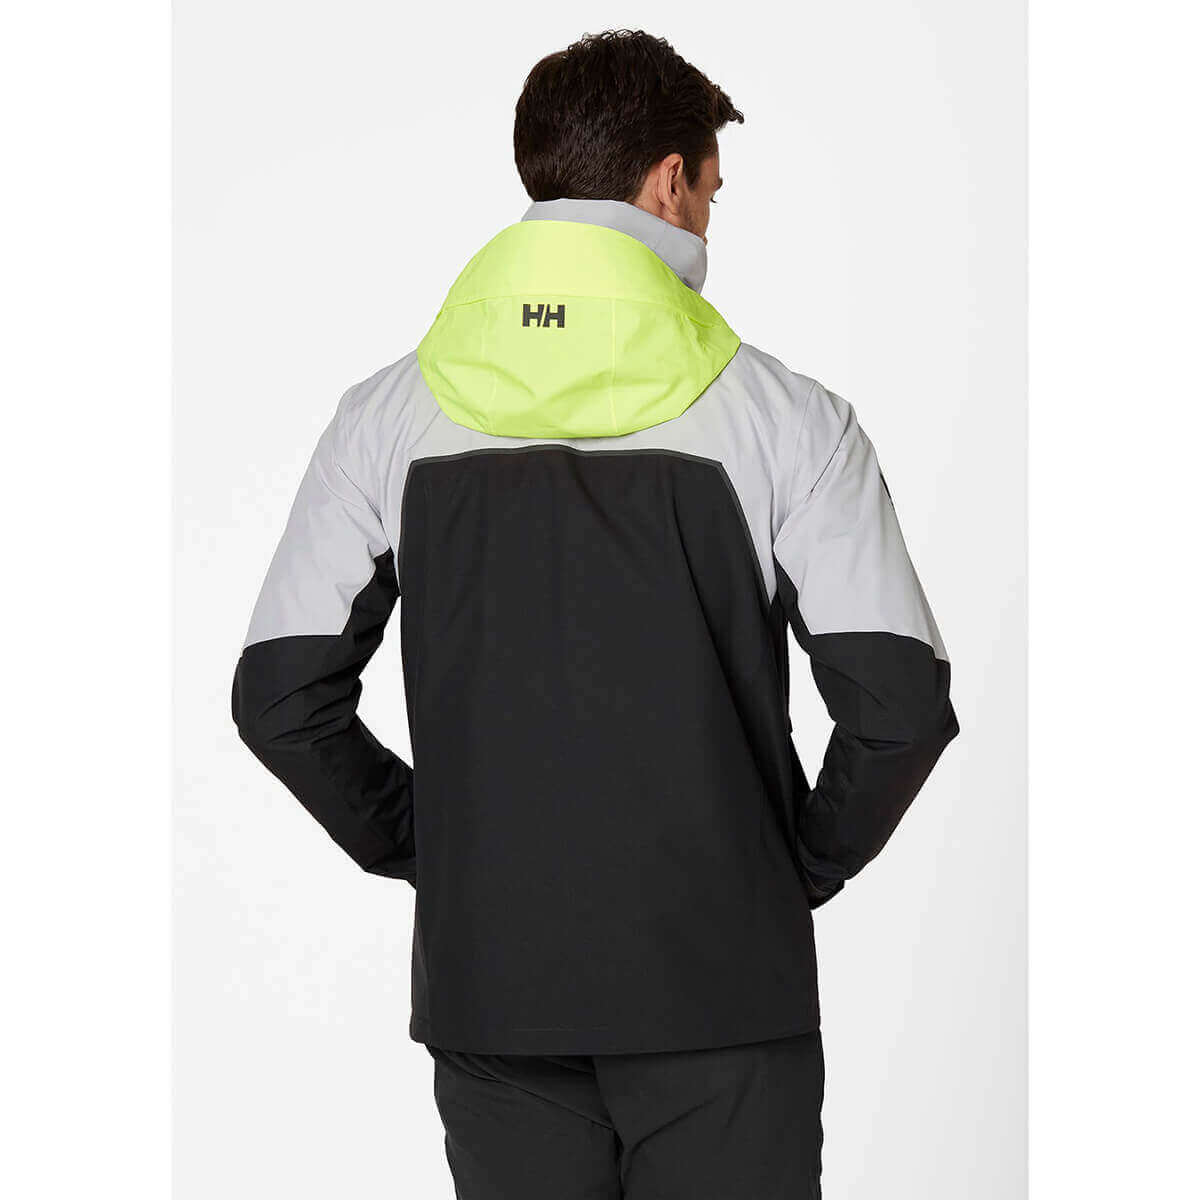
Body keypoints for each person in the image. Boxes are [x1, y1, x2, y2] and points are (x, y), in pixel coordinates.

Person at [232, 28, 958, 1199]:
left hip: (494, 994)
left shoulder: (383, 417)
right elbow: (902, 706)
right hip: (723, 994)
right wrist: (785, 869)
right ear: (669, 181)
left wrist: (438, 849)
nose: (709, 222)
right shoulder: (787, 419)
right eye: (711, 192)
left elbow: (279, 696)